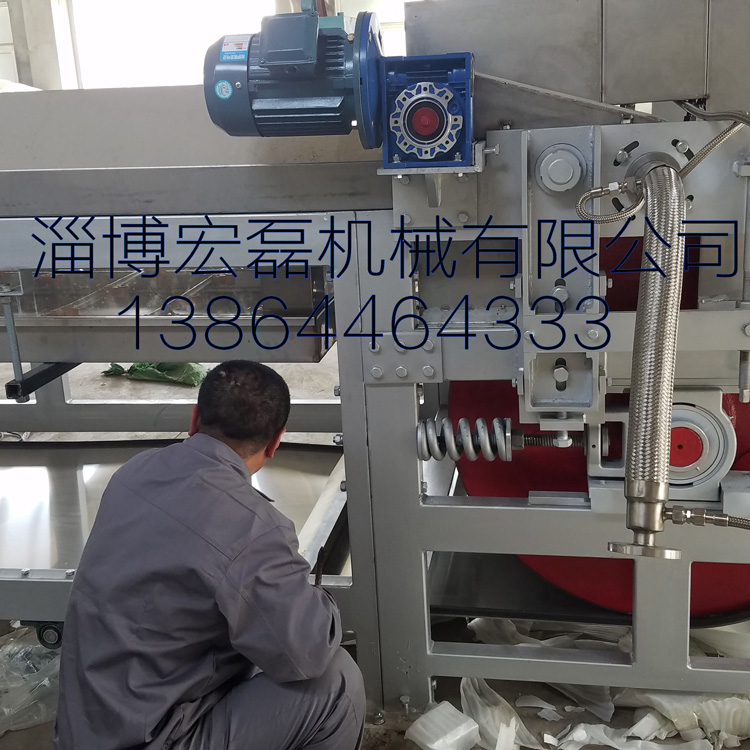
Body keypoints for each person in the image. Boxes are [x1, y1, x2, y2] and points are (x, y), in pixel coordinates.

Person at [54, 360, 365, 750]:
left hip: (83, 731)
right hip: (153, 738)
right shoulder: (253, 529)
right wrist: (319, 604)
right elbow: (306, 652)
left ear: (194, 417)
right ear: (275, 442)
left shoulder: (134, 472)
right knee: (337, 682)